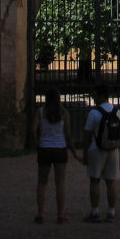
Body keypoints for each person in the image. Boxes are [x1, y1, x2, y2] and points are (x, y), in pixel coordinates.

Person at [81, 84, 120, 222]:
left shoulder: (94, 113)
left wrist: (85, 152)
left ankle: (95, 212)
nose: (93, 97)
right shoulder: (118, 113)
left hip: (96, 149)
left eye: (95, 94)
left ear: (101, 95)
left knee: (95, 181)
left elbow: (87, 135)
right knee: (111, 182)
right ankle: (111, 212)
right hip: (113, 149)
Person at [31, 88, 78, 223]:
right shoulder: (63, 113)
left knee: (42, 182)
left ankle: (40, 213)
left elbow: (33, 130)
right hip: (60, 148)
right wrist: (74, 152)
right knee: (60, 182)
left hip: (45, 148)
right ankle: (60, 214)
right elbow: (68, 135)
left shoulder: (40, 112)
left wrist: (37, 144)